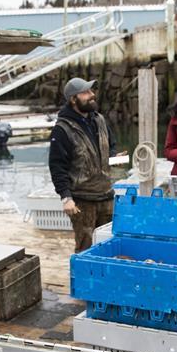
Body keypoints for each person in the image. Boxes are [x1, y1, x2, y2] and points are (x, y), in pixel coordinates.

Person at [48, 77, 118, 253]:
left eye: (91, 91)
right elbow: (57, 166)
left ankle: (105, 279)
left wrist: (116, 158)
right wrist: (66, 197)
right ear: (73, 99)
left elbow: (111, 148)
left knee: (109, 244)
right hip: (82, 201)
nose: (92, 95)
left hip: (106, 196)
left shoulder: (100, 120)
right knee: (85, 247)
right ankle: (83, 280)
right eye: (86, 92)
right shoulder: (62, 129)